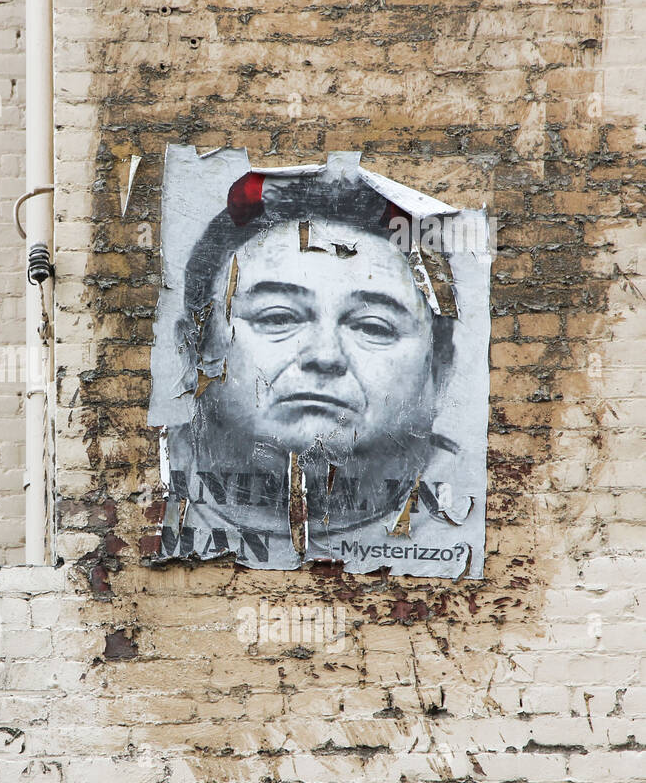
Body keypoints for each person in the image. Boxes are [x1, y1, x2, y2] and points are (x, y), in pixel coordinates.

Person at [160, 166, 466, 566]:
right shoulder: (125, 493)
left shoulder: (477, 514)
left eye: (373, 326)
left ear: (438, 374)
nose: (324, 356)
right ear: (194, 351)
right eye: (278, 318)